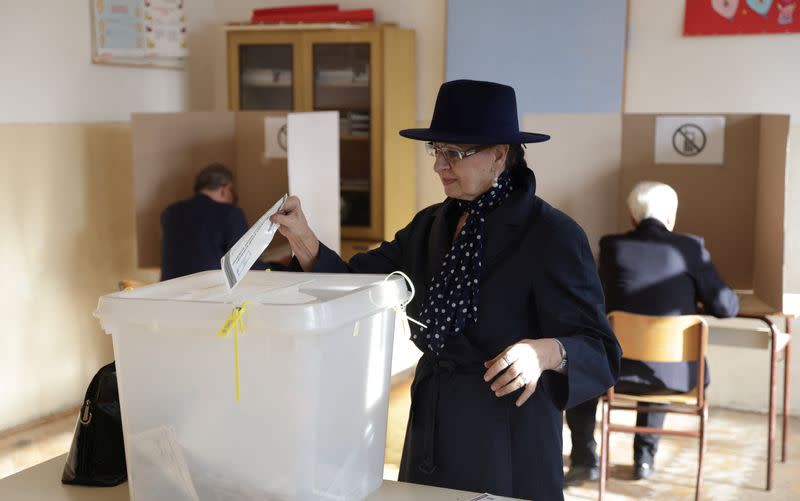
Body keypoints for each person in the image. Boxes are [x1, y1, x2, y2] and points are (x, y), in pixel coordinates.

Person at [271, 79, 621, 500]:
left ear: (499, 155)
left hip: (505, 435)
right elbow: (355, 281)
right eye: (437, 150)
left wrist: (542, 352)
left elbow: (600, 350)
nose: (440, 166)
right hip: (432, 423)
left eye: (455, 153)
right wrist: (303, 239)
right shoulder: (431, 224)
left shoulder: (552, 235)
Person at [564, 181, 739, 485]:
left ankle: (584, 459)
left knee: (581, 367)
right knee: (661, 359)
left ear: (632, 218)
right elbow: (726, 307)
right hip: (672, 377)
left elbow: (597, 300)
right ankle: (644, 460)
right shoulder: (691, 248)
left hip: (615, 372)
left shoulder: (611, 247)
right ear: (671, 218)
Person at [160, 163, 283, 281]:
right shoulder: (230, 213)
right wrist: (281, 267)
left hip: (167, 294)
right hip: (209, 295)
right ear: (225, 189)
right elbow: (243, 265)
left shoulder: (170, 213)